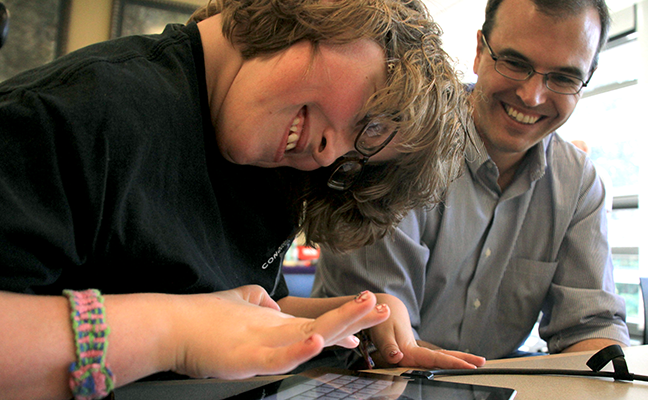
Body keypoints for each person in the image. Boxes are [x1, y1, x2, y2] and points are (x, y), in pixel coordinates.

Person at [0, 1, 485, 399]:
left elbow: (241, 308)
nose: (327, 154)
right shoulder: (80, 115)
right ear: (331, 11)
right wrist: (176, 333)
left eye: (356, 157)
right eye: (371, 123)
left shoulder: (268, 158)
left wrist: (358, 314)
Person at [313, 0, 631, 364]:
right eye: (515, 63)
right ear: (480, 52)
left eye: (563, 77)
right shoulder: (399, 141)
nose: (532, 96)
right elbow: (388, 344)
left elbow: (590, 330)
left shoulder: (579, 185)